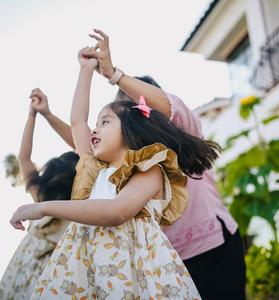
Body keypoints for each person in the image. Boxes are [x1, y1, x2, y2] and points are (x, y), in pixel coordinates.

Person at [10, 46, 221, 299]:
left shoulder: (149, 170)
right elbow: (78, 121)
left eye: (105, 122)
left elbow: (116, 211)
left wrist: (43, 207)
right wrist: (85, 70)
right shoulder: (94, 168)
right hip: (88, 272)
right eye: (96, 124)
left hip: (133, 277)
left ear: (132, 130)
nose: (94, 130)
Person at [89, 29, 246, 300]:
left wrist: (113, 74)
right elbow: (83, 138)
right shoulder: (128, 159)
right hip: (169, 262)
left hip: (215, 249)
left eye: (134, 106)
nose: (131, 116)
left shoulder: (183, 129)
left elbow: (166, 104)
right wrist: (45, 114)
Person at [0, 89, 79, 300]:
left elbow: (24, 159)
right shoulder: (80, 209)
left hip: (23, 264)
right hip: (54, 272)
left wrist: (32, 116)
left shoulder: (41, 198)